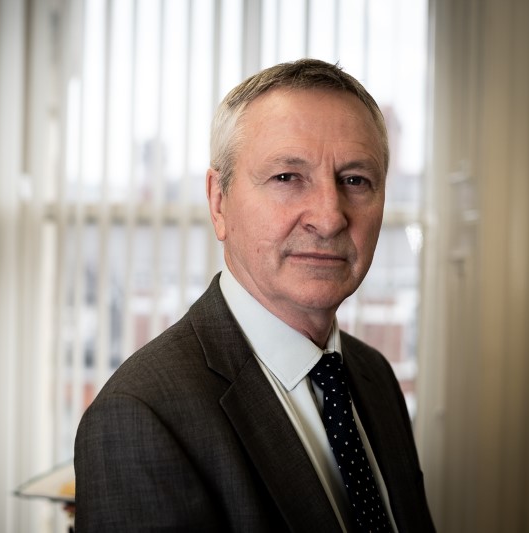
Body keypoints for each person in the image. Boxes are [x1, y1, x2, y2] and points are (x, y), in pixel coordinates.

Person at [74, 59, 435, 532]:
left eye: (355, 180)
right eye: (287, 177)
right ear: (218, 202)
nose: (329, 218)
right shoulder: (141, 418)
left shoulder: (372, 376)